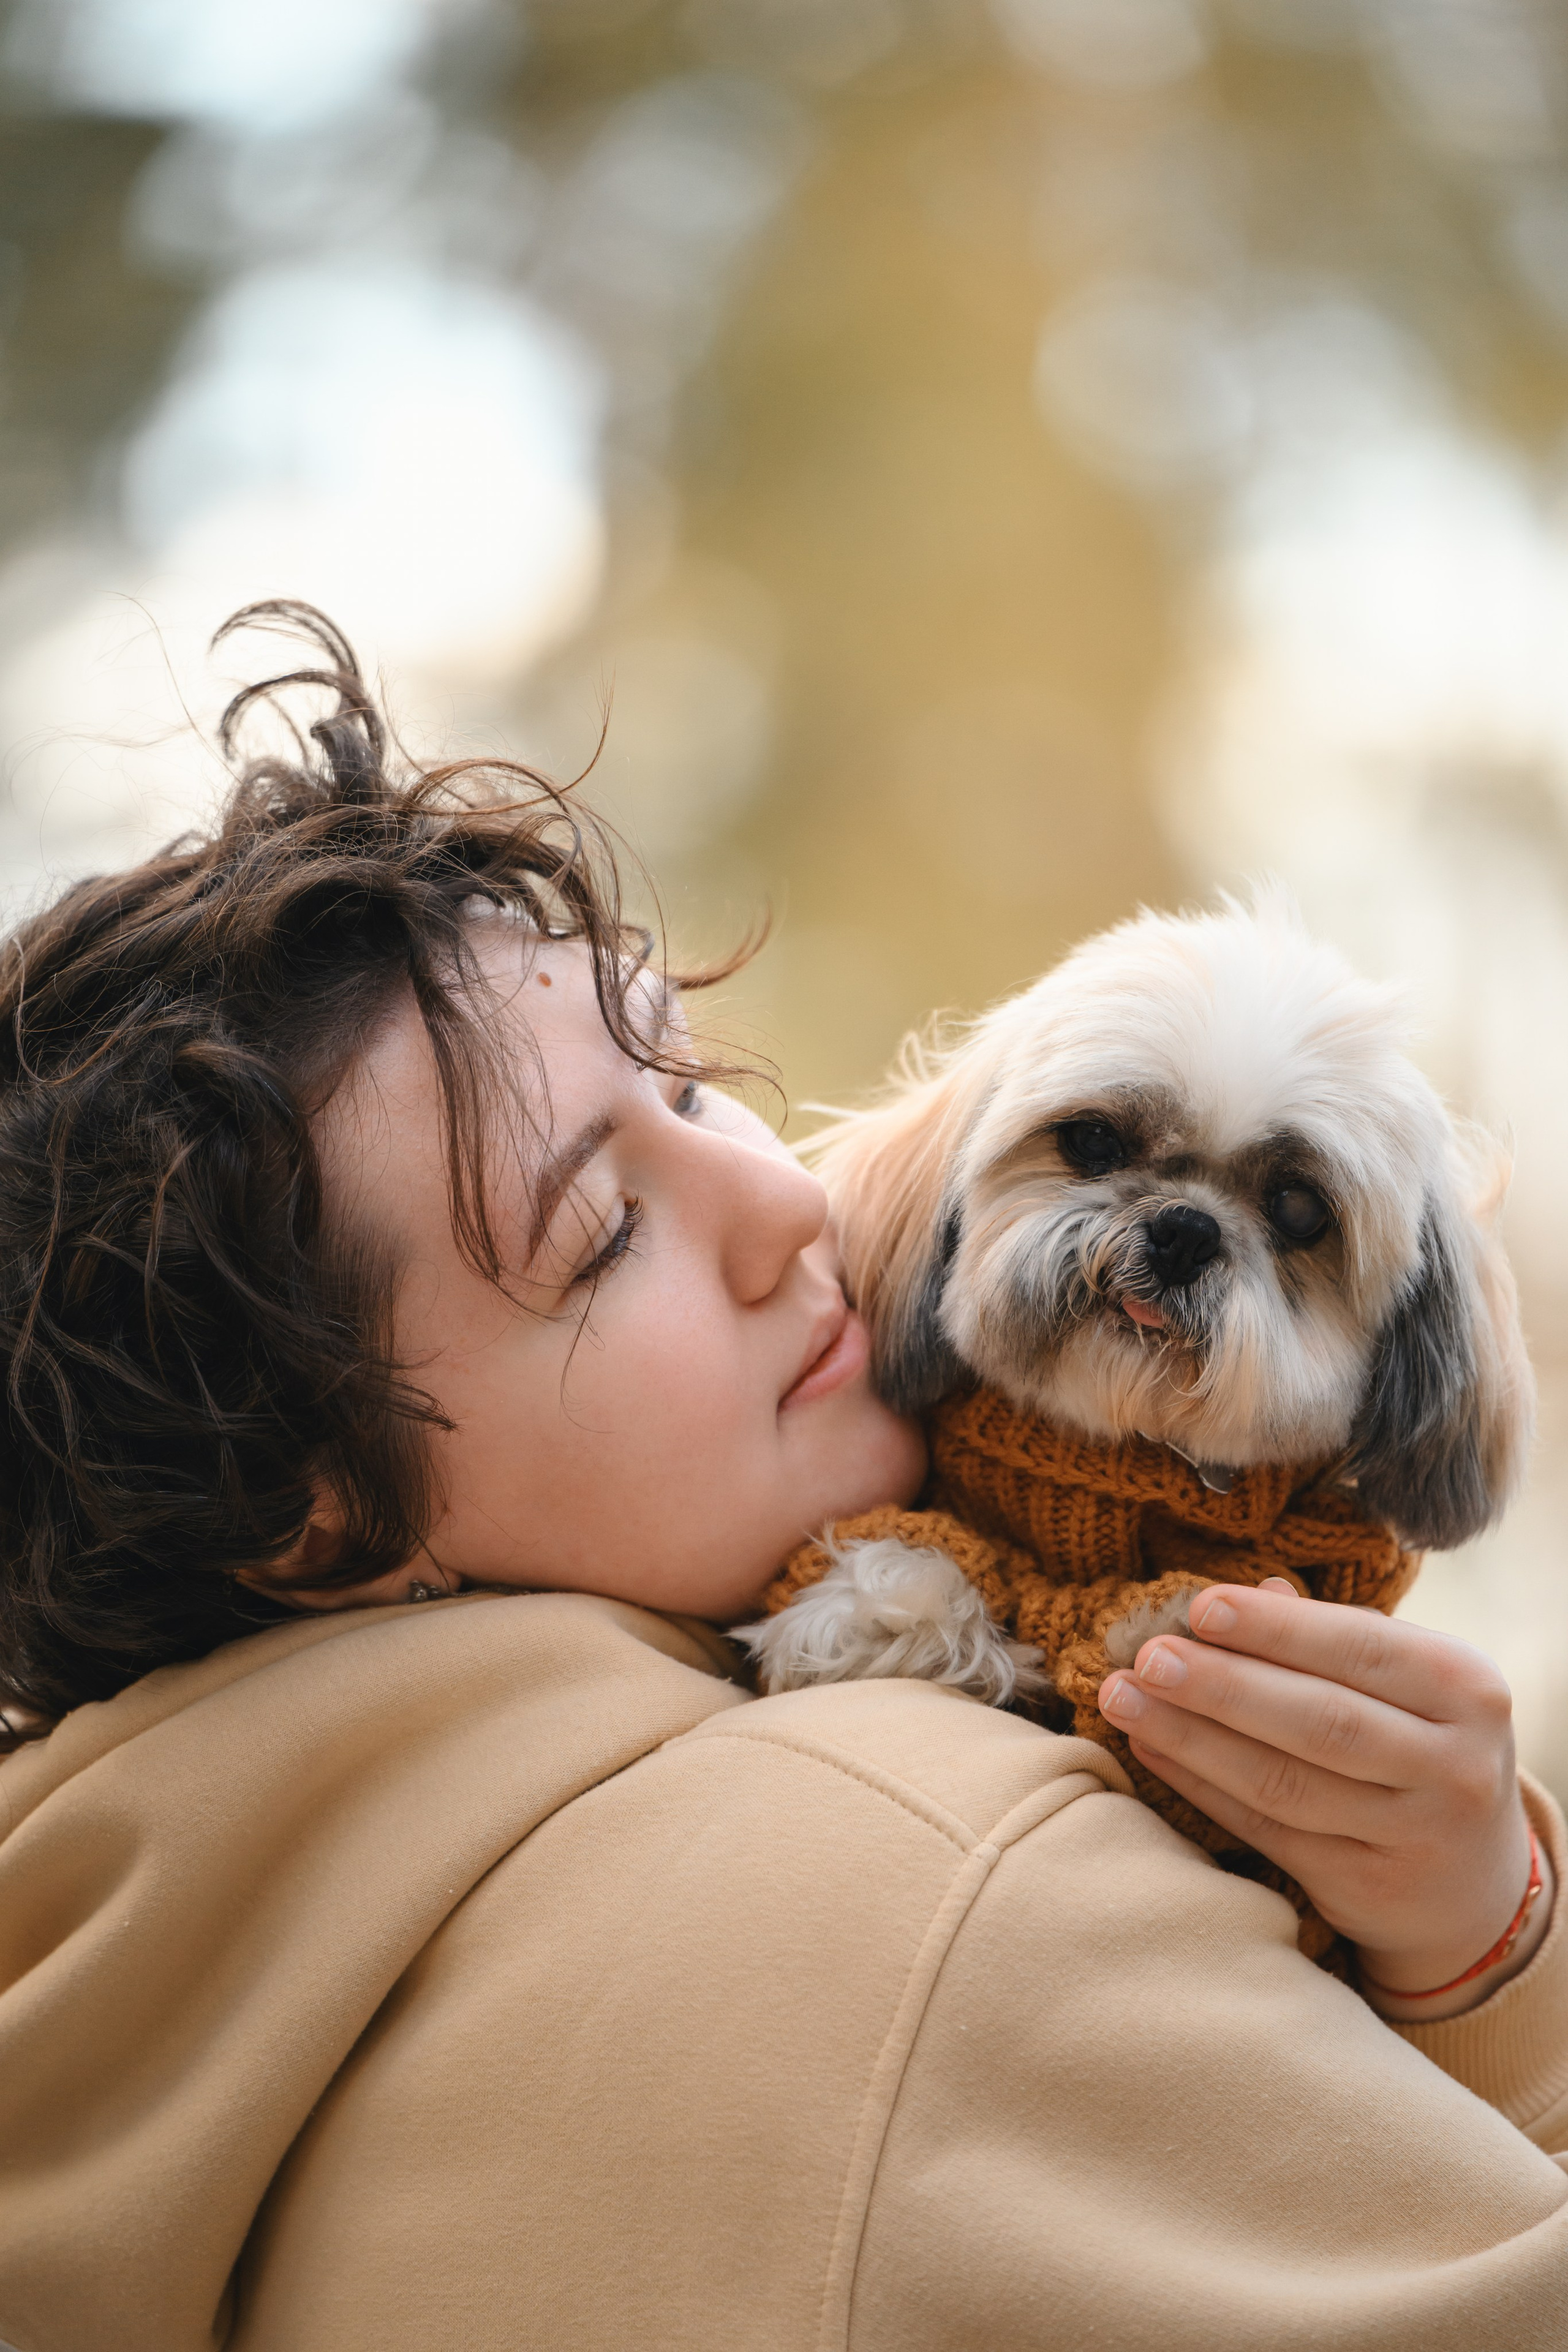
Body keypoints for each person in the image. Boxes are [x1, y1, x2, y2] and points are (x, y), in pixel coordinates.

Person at [1, 605, 1566, 2352]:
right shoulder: (953, 1898)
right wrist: (1499, 1971)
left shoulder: (96, 1993)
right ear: (330, 1517)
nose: (777, 1200)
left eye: (691, 1076)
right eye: (597, 1239)